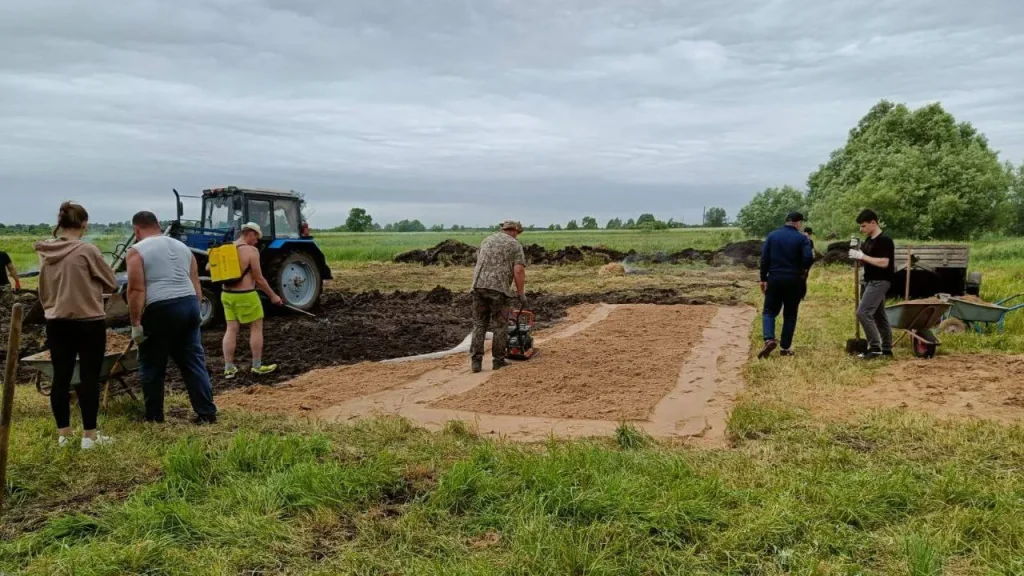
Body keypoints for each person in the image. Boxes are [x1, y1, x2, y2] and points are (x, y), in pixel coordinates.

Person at [34, 202, 118, 448]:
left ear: (60, 223)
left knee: (61, 377)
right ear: (84, 224)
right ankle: (89, 437)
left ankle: (64, 435)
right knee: (89, 378)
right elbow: (111, 283)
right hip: (88, 321)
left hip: (56, 321)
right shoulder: (87, 250)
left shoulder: (45, 251)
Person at [126, 211, 218, 423]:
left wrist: (136, 325)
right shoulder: (182, 247)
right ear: (158, 225)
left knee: (152, 364)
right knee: (193, 362)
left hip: (161, 308)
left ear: (136, 229)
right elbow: (196, 284)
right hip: (189, 304)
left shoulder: (136, 251)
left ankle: (154, 417)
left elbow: (136, 291)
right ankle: (206, 413)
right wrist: (195, 312)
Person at [220, 222, 283, 379]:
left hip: (226, 295)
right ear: (250, 234)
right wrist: (273, 296)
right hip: (246, 294)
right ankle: (257, 365)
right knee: (256, 328)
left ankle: (229, 368)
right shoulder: (251, 251)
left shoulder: (225, 248)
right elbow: (259, 279)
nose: (257, 241)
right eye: (256, 237)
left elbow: (209, 267)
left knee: (231, 329)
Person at [469, 220, 527, 373]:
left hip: (478, 286)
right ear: (514, 231)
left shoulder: (487, 240)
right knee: (500, 325)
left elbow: (479, 261)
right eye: (518, 233)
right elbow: (519, 271)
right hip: (498, 289)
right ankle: (498, 361)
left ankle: (476, 363)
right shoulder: (514, 245)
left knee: (479, 324)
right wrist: (521, 294)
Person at [758, 212, 814, 358]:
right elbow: (808, 258)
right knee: (790, 315)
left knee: (769, 311)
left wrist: (763, 278)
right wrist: (802, 270)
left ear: (786, 221)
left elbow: (764, 259)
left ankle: (769, 339)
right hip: (794, 280)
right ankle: (785, 348)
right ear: (798, 223)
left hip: (775, 278)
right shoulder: (802, 238)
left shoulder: (772, 236)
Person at [849, 209, 895, 359]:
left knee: (863, 312)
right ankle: (887, 348)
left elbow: (884, 262)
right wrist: (858, 256)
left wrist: (862, 256)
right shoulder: (869, 241)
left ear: (873, 223)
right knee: (878, 315)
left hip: (880, 280)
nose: (861, 229)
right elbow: (868, 258)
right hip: (869, 280)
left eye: (863, 226)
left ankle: (875, 348)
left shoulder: (885, 241)